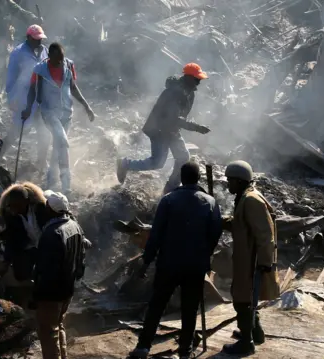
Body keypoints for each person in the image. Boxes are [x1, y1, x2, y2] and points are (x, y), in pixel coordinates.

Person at [128, 161, 223, 359]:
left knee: (157, 305)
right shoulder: (210, 202)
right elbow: (215, 233)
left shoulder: (169, 200)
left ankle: (143, 347)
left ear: (181, 177)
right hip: (195, 266)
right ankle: (185, 350)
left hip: (169, 263)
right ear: (198, 178)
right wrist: (206, 255)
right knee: (190, 308)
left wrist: (146, 261)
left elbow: (156, 234)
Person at [116, 63, 211, 194]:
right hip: (159, 129)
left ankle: (170, 189)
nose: (198, 83)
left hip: (171, 130)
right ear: (188, 78)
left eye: (199, 79)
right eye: (196, 79)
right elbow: (174, 118)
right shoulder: (175, 93)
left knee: (183, 157)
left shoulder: (188, 92)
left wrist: (189, 126)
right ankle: (125, 164)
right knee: (157, 162)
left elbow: (180, 116)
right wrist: (196, 127)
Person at [22, 42, 96, 194]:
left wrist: (86, 106)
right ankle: (66, 186)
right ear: (49, 57)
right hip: (49, 113)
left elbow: (73, 88)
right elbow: (32, 90)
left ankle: (50, 181)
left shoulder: (68, 65)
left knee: (58, 148)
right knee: (63, 142)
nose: (60, 63)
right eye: (57, 60)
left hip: (66, 113)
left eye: (62, 59)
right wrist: (28, 108)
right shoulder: (40, 70)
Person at [222, 160, 278, 356]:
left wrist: (264, 262)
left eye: (230, 180)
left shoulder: (251, 200)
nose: (228, 184)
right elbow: (242, 224)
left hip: (251, 261)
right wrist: (223, 222)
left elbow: (265, 235)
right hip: (246, 258)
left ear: (239, 181)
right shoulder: (245, 196)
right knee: (247, 298)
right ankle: (255, 331)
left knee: (242, 300)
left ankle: (246, 342)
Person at [33, 190, 87, 359]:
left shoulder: (52, 233)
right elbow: (81, 256)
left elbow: (46, 269)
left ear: (50, 209)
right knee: (58, 325)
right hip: (67, 289)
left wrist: (36, 294)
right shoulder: (74, 226)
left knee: (48, 332)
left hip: (51, 293)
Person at [1, 24, 51, 169]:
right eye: (36, 39)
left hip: (40, 99)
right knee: (17, 130)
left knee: (44, 131)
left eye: (41, 39)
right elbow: (10, 77)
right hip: (23, 98)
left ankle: (41, 161)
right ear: (28, 37)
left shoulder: (44, 51)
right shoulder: (18, 53)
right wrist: (11, 98)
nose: (39, 42)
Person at [0, 182, 48, 305]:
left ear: (26, 201)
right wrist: (6, 262)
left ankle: (41, 298)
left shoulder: (41, 208)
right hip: (30, 246)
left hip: (47, 245)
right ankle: (30, 291)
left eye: (16, 206)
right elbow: (11, 239)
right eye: (10, 206)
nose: (13, 209)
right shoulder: (12, 215)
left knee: (45, 272)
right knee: (20, 272)